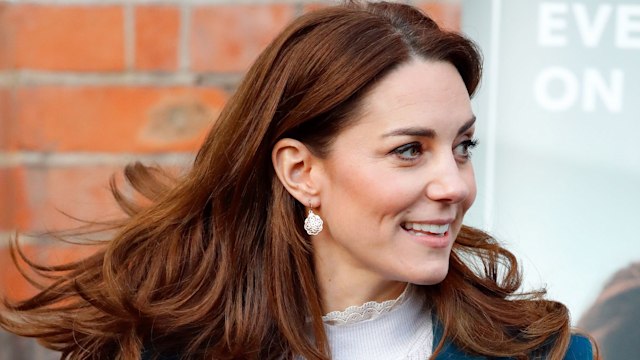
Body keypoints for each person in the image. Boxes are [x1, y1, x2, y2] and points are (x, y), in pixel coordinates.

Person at [1, 1, 598, 359]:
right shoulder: (158, 348)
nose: (456, 185)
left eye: (462, 147)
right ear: (301, 171)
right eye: (410, 150)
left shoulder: (543, 354)